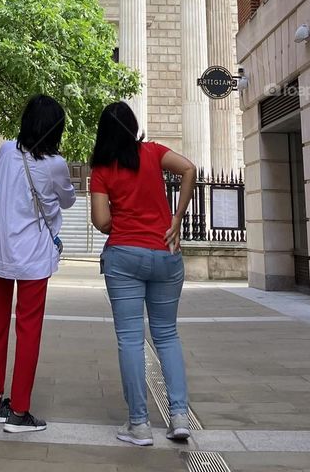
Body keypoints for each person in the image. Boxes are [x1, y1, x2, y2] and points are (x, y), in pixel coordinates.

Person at [90, 101, 197, 447]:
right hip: (166, 254)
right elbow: (190, 169)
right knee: (167, 335)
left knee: (131, 339)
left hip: (124, 256)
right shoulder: (153, 153)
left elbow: (101, 221)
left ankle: (139, 424)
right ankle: (179, 415)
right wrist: (176, 219)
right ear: (133, 126)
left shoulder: (102, 169)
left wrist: (121, 221)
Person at [0, 94, 75, 434]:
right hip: (32, 256)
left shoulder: (5, 151)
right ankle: (19, 411)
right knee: (28, 330)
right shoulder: (56, 165)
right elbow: (68, 200)